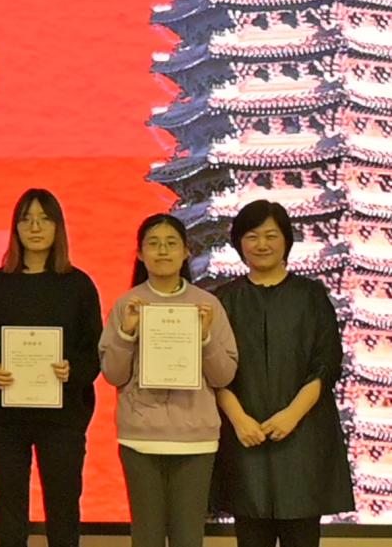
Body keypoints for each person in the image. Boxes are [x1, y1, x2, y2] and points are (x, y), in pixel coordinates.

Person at [0, 189, 103, 547]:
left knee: (63, 512)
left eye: (44, 219)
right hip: (5, 419)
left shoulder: (78, 285)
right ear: (15, 228)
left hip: (63, 417)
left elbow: (94, 351)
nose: (35, 227)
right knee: (9, 515)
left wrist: (73, 370)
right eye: (26, 219)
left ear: (58, 226)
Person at [212, 200, 354, 547]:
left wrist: (292, 415)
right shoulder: (223, 299)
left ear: (286, 241)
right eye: (252, 236)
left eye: (271, 235)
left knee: (302, 535)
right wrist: (239, 420)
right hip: (245, 437)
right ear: (239, 243)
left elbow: (327, 362)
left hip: (303, 437)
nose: (262, 244)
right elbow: (212, 367)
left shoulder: (311, 295)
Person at [100, 213, 239, 547]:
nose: (162, 251)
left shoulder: (207, 305)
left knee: (188, 537)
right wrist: (126, 334)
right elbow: (113, 374)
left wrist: (205, 339)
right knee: (146, 536)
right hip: (140, 438)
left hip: (196, 439)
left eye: (171, 243)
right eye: (153, 243)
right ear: (139, 253)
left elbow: (224, 374)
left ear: (186, 251)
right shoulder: (128, 305)